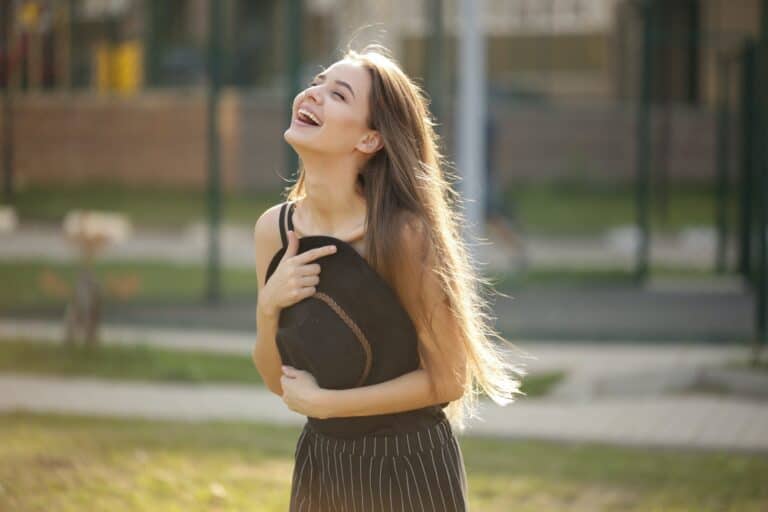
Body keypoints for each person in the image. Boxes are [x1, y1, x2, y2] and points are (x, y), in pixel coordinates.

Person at [252, 43, 528, 512]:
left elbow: (450, 378)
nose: (313, 93)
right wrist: (267, 307)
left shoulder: (402, 236)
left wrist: (329, 406)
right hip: (322, 462)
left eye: (337, 94)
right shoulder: (273, 230)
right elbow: (278, 381)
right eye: (317, 82)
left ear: (369, 140)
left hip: (408, 465)